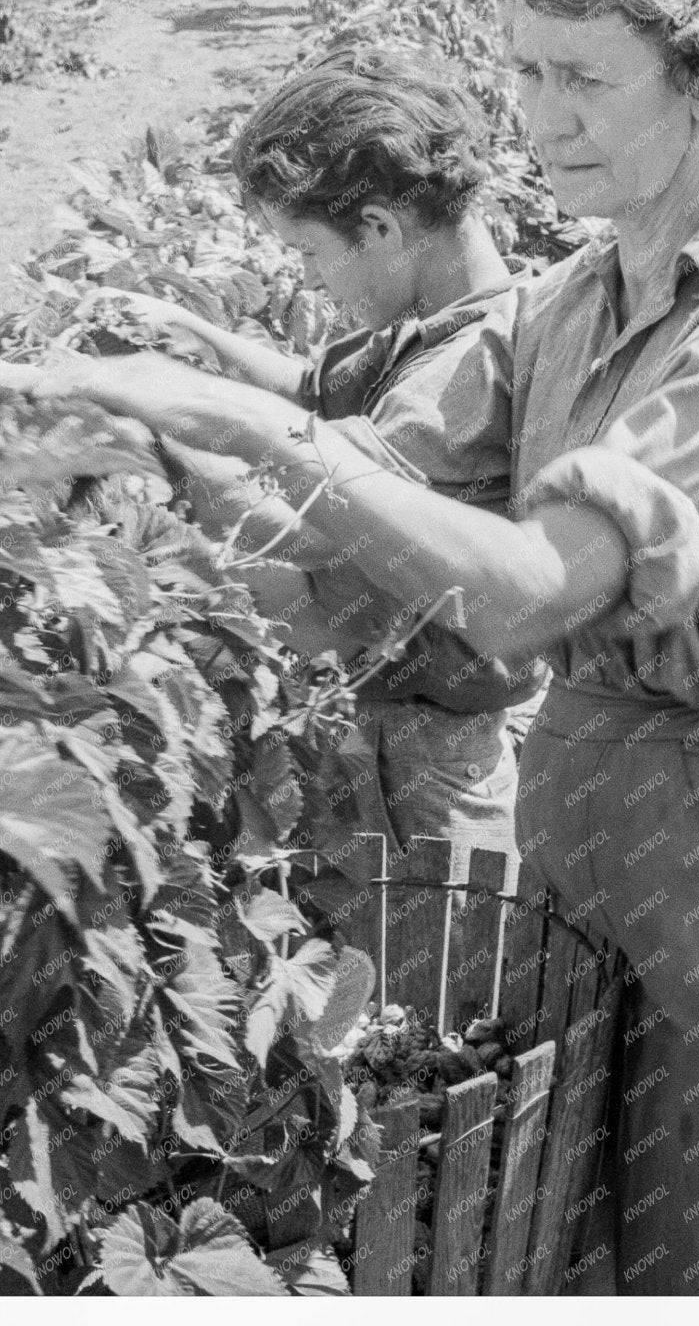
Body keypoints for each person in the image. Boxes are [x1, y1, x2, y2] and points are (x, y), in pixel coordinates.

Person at [0, 0, 699, 1295]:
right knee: (612, 1256)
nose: (541, 118)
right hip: (603, 861)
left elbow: (531, 591)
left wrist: (245, 421)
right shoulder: (577, 297)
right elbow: (357, 489)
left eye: (585, 78)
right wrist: (133, 436)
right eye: (525, 71)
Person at [112, 44, 542, 856]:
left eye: (309, 252)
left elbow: (303, 520)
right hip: (391, 736)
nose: (309, 280)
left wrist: (143, 425)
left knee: (429, 933)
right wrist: (194, 335)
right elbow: (315, 389)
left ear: (377, 226)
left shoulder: (460, 384)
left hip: (427, 780)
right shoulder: (455, 320)